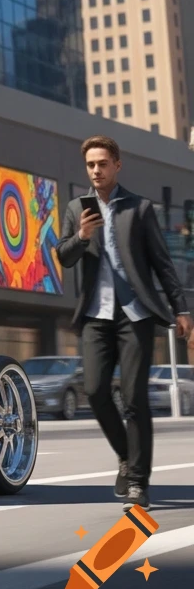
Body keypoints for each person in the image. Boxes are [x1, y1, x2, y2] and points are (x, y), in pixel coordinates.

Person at [57, 135, 193, 511]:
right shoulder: (75, 209)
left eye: (102, 163)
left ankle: (138, 482)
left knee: (134, 400)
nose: (96, 170)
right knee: (97, 391)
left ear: (117, 165)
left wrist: (181, 310)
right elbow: (63, 256)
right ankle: (126, 456)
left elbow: (163, 264)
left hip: (135, 315)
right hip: (95, 317)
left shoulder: (140, 208)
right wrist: (82, 236)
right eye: (90, 165)